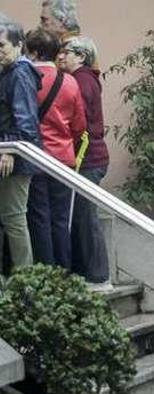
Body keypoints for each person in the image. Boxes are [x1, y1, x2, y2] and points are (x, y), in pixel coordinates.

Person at [24, 28, 85, 270]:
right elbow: (80, 125)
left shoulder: (25, 77)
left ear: (35, 52)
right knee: (61, 219)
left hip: (36, 157)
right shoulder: (70, 81)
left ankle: (47, 272)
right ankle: (64, 270)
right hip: (64, 158)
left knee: (39, 217)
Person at [59, 35, 110, 289]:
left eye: (67, 52)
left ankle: (98, 275)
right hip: (91, 157)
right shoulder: (87, 80)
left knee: (85, 215)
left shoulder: (81, 81)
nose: (61, 56)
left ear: (81, 56)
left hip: (88, 158)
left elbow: (79, 123)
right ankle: (89, 272)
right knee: (82, 215)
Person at [0, 18, 41, 271]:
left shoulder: (21, 73)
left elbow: (26, 124)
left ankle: (26, 281)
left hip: (14, 157)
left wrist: (9, 150)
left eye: (2, 45)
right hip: (7, 153)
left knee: (14, 218)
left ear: (19, 45)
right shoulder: (7, 71)